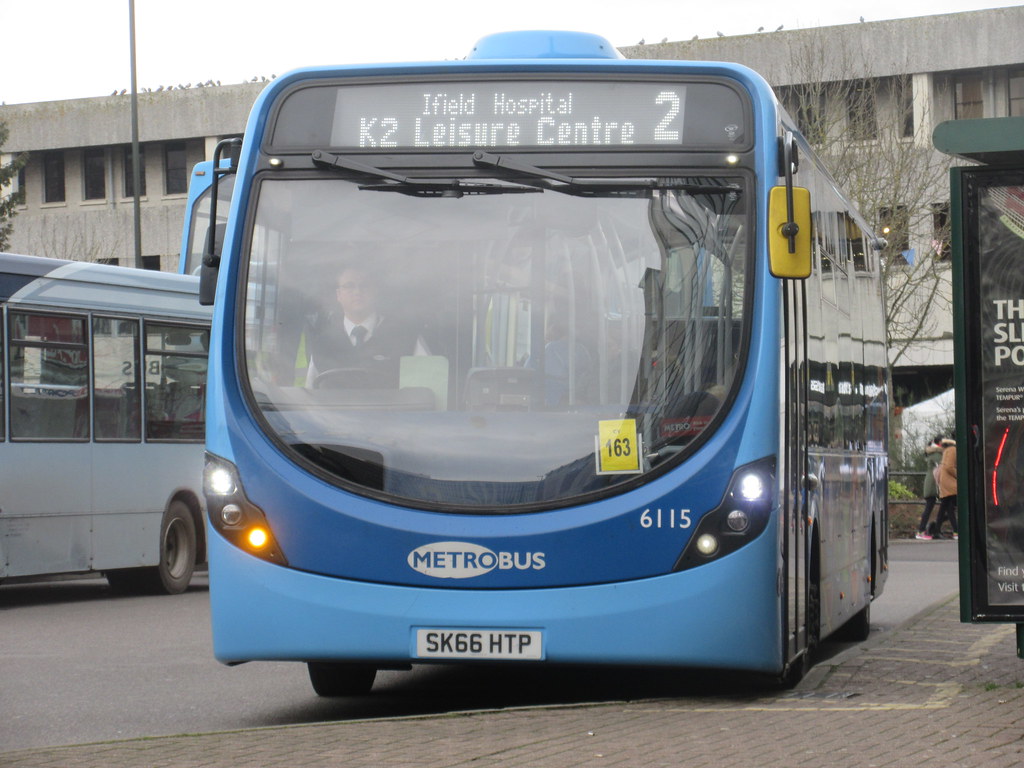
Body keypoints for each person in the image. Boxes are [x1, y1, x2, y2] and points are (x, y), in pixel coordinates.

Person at [305, 264, 428, 388]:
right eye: (349, 286)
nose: (357, 291)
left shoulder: (405, 337)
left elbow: (426, 387)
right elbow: (310, 393)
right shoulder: (323, 343)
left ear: (374, 292)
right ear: (339, 295)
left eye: (364, 285)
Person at [916, 435, 944, 540]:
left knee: (932, 507)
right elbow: (942, 465)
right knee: (929, 508)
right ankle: (921, 530)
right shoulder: (936, 454)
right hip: (933, 484)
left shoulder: (933, 453)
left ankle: (924, 530)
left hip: (932, 483)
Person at [934, 437, 958, 539]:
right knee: (951, 506)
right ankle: (956, 531)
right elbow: (949, 467)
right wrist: (959, 475)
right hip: (950, 484)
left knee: (947, 508)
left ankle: (937, 530)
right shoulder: (952, 450)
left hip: (945, 483)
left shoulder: (947, 451)